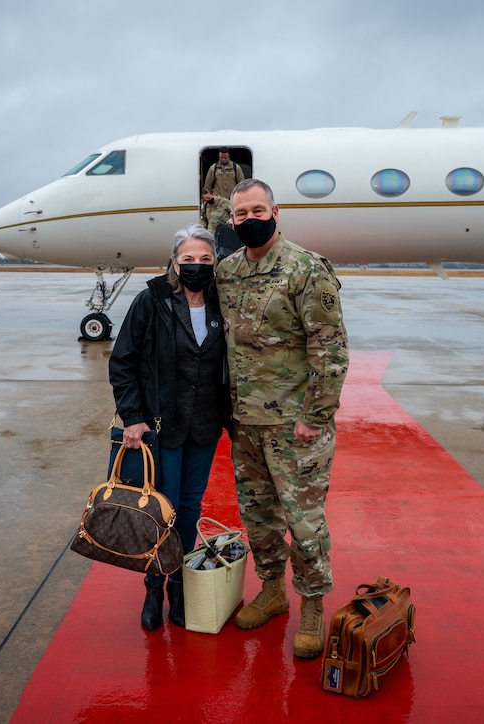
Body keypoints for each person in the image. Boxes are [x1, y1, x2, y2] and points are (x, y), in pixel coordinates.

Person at [215, 179, 349, 659]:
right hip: (246, 422)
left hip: (296, 426)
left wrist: (315, 416)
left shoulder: (305, 268)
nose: (249, 218)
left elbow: (330, 349)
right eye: (240, 213)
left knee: (304, 521)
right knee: (257, 516)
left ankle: (312, 604)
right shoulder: (227, 271)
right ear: (230, 221)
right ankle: (272, 590)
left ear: (276, 211)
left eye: (257, 209)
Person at [109, 223, 229, 631]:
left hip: (205, 426)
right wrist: (132, 417)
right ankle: (153, 584)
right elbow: (122, 361)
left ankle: (179, 584)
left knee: (192, 508)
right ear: (174, 263)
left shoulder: (222, 303)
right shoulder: (151, 301)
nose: (197, 265)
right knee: (164, 508)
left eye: (205, 259)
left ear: (216, 263)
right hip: (162, 426)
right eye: (188, 259)